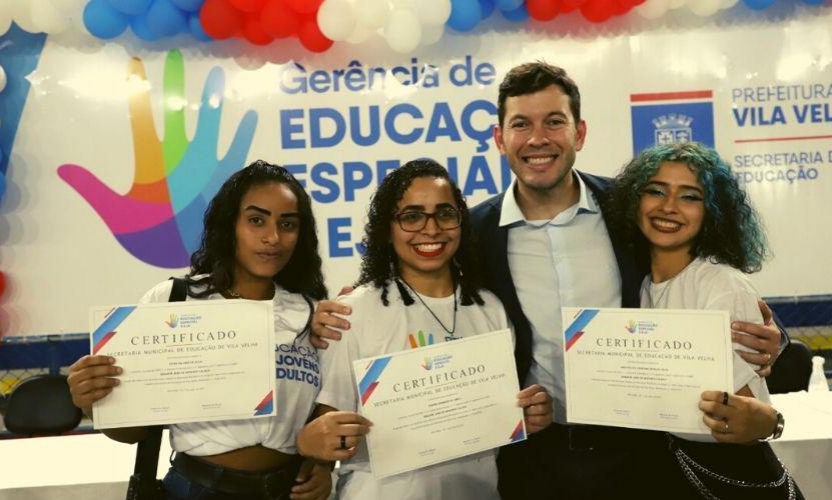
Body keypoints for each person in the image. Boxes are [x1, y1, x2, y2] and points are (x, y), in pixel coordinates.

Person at [311, 62, 785, 499]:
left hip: (641, 454)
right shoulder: (472, 234)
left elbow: (694, 281)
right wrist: (334, 312)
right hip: (531, 462)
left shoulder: (631, 211)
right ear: (500, 137)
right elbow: (411, 278)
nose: (538, 138)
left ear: (579, 131)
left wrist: (778, 340)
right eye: (521, 124)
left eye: (554, 121)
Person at [67, 160, 332, 500]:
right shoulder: (175, 300)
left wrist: (322, 466)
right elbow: (131, 431)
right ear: (229, 225)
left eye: (288, 224)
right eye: (256, 220)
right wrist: (92, 401)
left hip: (290, 490)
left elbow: (327, 411)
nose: (273, 237)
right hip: (199, 490)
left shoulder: (309, 312)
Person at [296, 159, 553, 500]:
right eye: (412, 216)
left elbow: (502, 411)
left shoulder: (490, 308)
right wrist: (316, 448)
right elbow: (332, 418)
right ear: (387, 229)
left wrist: (528, 415)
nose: (431, 229)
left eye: (444, 213)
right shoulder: (353, 312)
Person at [608, 141, 802, 498]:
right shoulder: (641, 286)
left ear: (713, 211)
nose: (668, 207)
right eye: (656, 191)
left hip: (731, 476)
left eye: (690, 197)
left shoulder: (721, 285)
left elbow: (737, 418)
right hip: (672, 468)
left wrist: (770, 421)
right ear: (635, 200)